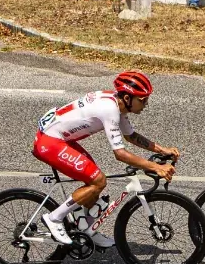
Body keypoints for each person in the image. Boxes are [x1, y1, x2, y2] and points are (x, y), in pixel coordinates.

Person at [33, 71, 179, 247]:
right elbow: (120, 154)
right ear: (127, 98)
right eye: (142, 100)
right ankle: (54, 218)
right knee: (98, 181)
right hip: (50, 142)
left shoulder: (117, 103)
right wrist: (156, 167)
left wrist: (162, 149)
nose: (146, 104)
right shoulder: (109, 110)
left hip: (59, 137)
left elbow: (131, 136)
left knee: (94, 181)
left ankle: (86, 229)